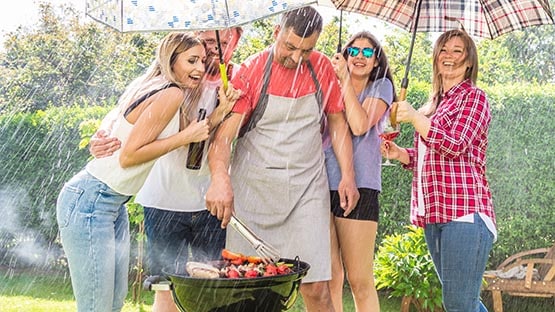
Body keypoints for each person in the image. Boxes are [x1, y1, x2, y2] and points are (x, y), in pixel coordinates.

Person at [56, 32, 238, 312]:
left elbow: (192, 133)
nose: (200, 68)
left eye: (202, 60)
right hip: (92, 201)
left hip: (110, 205)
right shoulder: (170, 93)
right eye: (191, 60)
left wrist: (221, 110)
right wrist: (184, 137)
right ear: (171, 60)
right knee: (97, 307)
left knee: (111, 304)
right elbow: (130, 156)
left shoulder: (158, 87)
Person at [205, 6, 359, 312]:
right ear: (277, 32)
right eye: (289, 46)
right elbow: (223, 137)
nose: (297, 57)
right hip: (254, 191)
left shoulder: (321, 68)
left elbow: (338, 123)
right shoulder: (251, 71)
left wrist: (348, 175)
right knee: (249, 285)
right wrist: (220, 179)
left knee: (316, 287)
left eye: (307, 49)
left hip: (306, 189)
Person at [381, 29, 496, 312]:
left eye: (457, 51)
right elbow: (430, 158)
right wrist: (401, 155)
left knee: (458, 303)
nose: (449, 55)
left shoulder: (474, 98)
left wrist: (417, 118)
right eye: (443, 49)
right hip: (436, 215)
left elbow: (456, 145)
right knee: (462, 303)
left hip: (465, 214)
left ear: (469, 61)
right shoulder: (434, 104)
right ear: (435, 57)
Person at [327, 31, 396, 312]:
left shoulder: (380, 88)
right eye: (353, 50)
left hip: (362, 185)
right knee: (329, 276)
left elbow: (358, 125)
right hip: (321, 183)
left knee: (358, 279)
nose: (359, 56)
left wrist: (344, 79)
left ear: (376, 61)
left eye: (368, 52)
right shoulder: (328, 84)